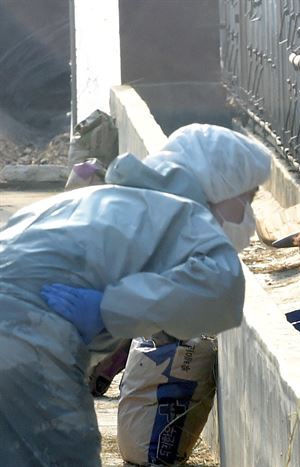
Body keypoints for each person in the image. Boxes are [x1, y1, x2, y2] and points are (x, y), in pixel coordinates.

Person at [0, 123, 271, 466]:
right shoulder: (184, 215)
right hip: (29, 346)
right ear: (219, 187)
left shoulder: (91, 199)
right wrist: (110, 309)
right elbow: (222, 291)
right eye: (247, 199)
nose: (248, 215)